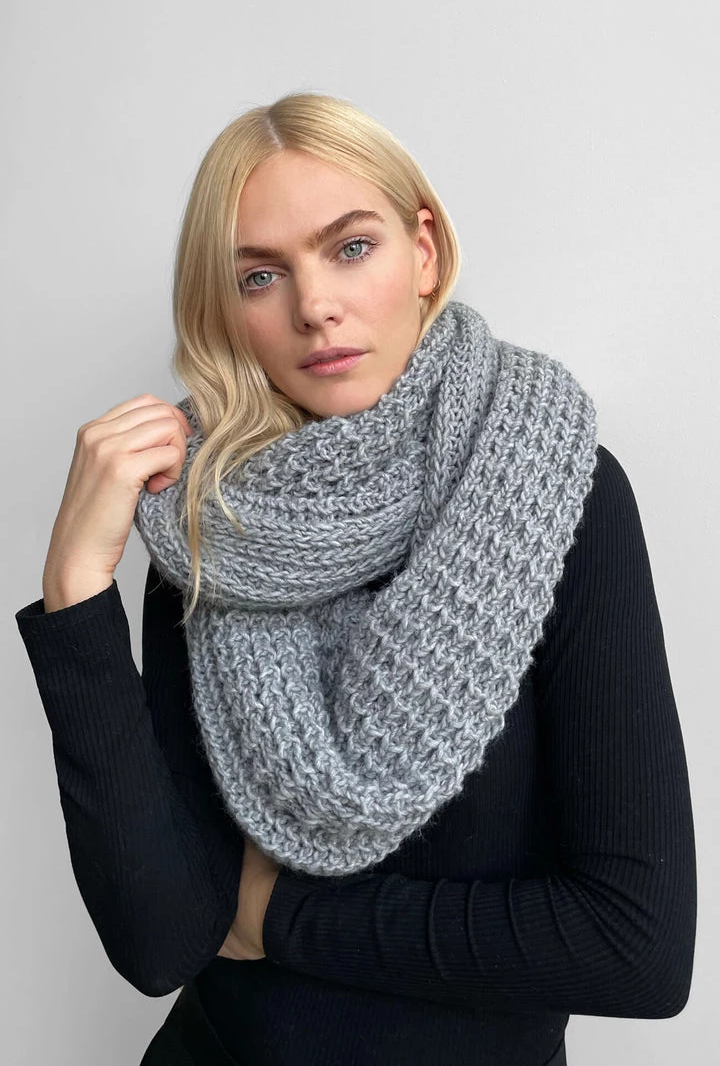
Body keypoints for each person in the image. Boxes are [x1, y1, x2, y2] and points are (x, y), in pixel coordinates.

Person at [15, 92, 696, 1066]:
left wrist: (282, 918)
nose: (314, 306)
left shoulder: (553, 488)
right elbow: (163, 940)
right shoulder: (207, 518)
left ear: (424, 252)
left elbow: (636, 948)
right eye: (260, 275)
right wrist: (77, 584)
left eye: (351, 247)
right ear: (227, 308)